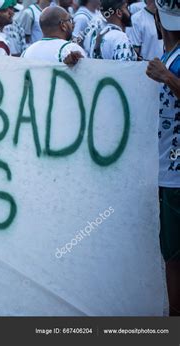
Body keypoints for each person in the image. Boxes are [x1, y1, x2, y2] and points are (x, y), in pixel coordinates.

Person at [145, 0, 180, 317]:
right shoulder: (167, 56)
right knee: (171, 252)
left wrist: (168, 77)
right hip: (167, 172)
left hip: (177, 176)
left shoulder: (171, 62)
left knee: (175, 257)